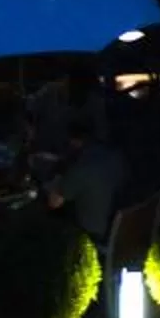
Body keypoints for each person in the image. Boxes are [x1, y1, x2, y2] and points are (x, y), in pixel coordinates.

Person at [41, 114, 129, 244]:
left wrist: (56, 179)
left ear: (74, 140)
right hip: (119, 224)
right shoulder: (115, 155)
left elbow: (54, 203)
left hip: (94, 232)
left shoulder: (81, 167)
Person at [27, 63, 113, 152]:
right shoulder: (49, 90)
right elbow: (30, 109)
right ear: (66, 79)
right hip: (41, 146)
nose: (73, 88)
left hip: (75, 155)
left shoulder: (95, 103)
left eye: (79, 86)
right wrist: (30, 130)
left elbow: (102, 134)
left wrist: (84, 138)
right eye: (70, 83)